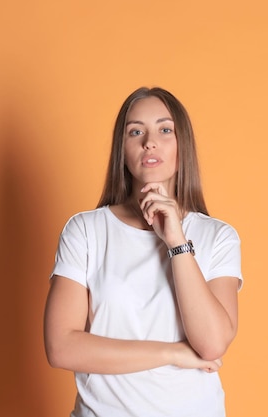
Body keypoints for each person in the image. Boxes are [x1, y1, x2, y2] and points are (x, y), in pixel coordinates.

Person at [44, 86, 243, 417]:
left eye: (165, 130)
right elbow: (61, 347)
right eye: (135, 131)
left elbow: (211, 344)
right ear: (122, 150)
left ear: (183, 146)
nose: (149, 142)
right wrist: (171, 354)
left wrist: (177, 241)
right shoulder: (86, 230)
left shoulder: (218, 237)